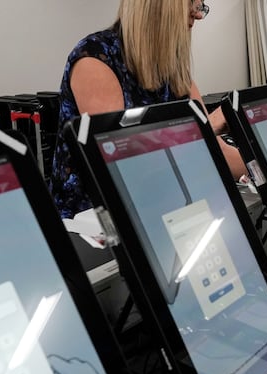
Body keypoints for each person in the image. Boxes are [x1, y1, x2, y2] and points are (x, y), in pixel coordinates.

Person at [50, 0, 247, 218]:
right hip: (94, 224)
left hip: (160, 208)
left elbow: (218, 153)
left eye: (201, 5)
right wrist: (202, 132)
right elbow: (127, 171)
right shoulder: (96, 58)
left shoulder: (173, 69)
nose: (198, 14)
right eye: (192, 2)